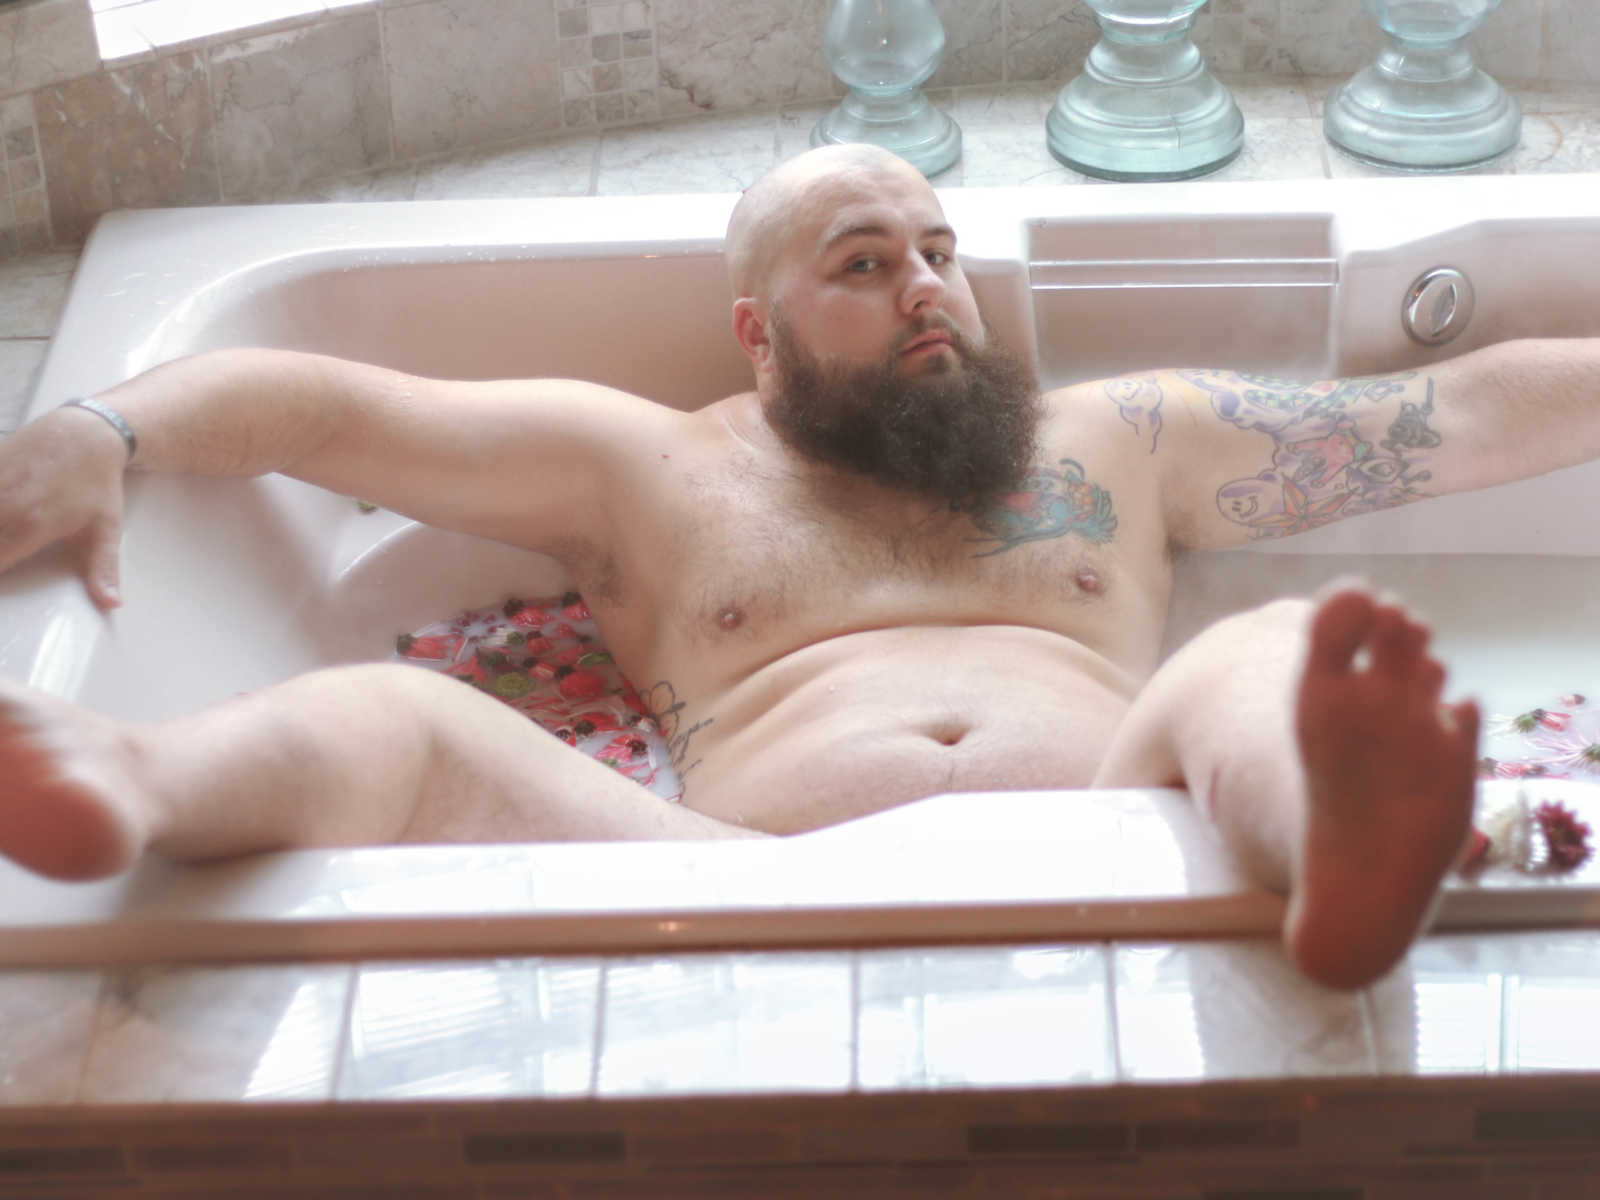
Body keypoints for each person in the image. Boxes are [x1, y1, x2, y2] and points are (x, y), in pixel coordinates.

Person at [0, 144, 1594, 992]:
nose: (928, 289)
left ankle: (1334, 863)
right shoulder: (646, 465)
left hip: (1122, 821)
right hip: (721, 880)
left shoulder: (1119, 437)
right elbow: (324, 402)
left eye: (942, 252)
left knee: (1274, 654)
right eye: (863, 263)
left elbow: (1456, 410)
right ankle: (136, 776)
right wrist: (100, 428)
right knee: (405, 727)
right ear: (757, 334)